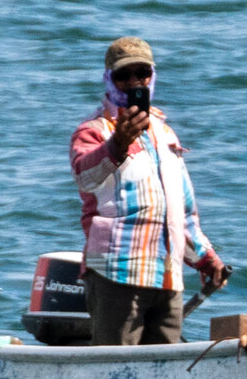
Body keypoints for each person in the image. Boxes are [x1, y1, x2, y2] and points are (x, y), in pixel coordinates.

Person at [69, 37, 231, 346]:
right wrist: (117, 144)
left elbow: (182, 214)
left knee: (166, 366)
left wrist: (206, 258)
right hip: (116, 271)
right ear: (108, 78)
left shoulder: (165, 132)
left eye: (141, 73)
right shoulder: (93, 131)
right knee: (113, 366)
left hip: (167, 275)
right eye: (122, 75)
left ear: (151, 76)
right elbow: (85, 177)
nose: (132, 82)